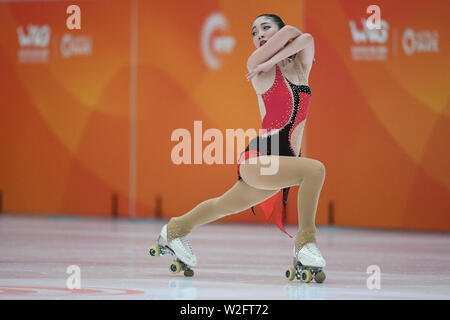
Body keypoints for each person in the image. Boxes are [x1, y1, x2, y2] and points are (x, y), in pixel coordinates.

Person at [155, 14, 326, 272]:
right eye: (254, 32)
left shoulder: (301, 67)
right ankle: (305, 242)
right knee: (315, 170)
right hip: (261, 158)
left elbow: (306, 37)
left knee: (222, 205)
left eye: (266, 28)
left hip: (280, 162)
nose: (259, 35)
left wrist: (277, 58)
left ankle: (175, 230)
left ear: (280, 32)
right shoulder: (255, 65)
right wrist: (269, 62)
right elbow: (292, 34)